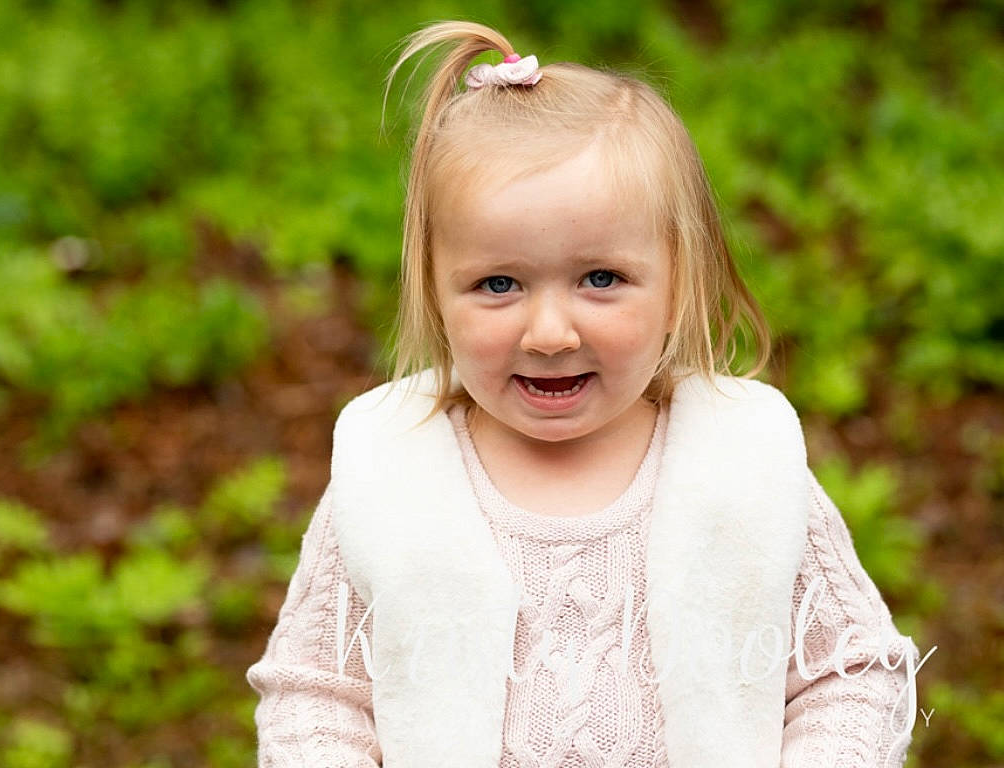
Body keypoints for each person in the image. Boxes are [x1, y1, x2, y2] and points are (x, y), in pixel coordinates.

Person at [245, 20, 926, 768]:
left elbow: (852, 672)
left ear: (677, 285)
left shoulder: (737, 462)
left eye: (600, 279)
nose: (549, 332)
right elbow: (316, 692)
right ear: (436, 294)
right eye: (498, 284)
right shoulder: (395, 474)